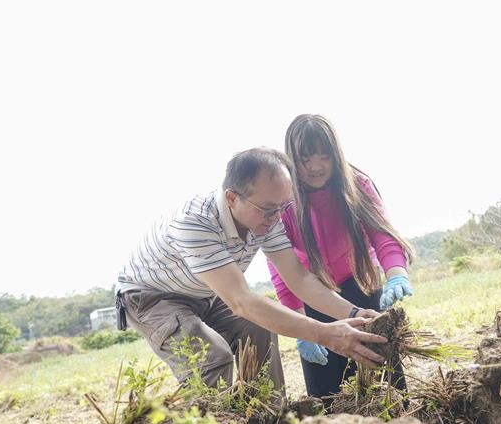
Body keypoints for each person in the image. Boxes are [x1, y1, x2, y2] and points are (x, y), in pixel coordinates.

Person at [116, 147, 387, 393]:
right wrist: (325, 334)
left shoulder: (266, 218)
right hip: (152, 297)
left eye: (283, 207)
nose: (277, 218)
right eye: (269, 209)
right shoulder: (194, 222)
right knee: (212, 357)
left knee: (260, 332)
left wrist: (354, 313)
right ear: (232, 198)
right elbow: (241, 301)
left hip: (205, 293)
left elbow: (300, 279)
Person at [268, 114, 414, 399]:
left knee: (383, 379)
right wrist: (299, 323)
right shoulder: (283, 201)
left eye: (324, 157)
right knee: (327, 393)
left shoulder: (357, 184)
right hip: (313, 297)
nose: (316, 167)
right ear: (292, 160)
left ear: (336, 154)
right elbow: (282, 269)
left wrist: (396, 273)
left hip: (362, 287)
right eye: (306, 159)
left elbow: (382, 234)